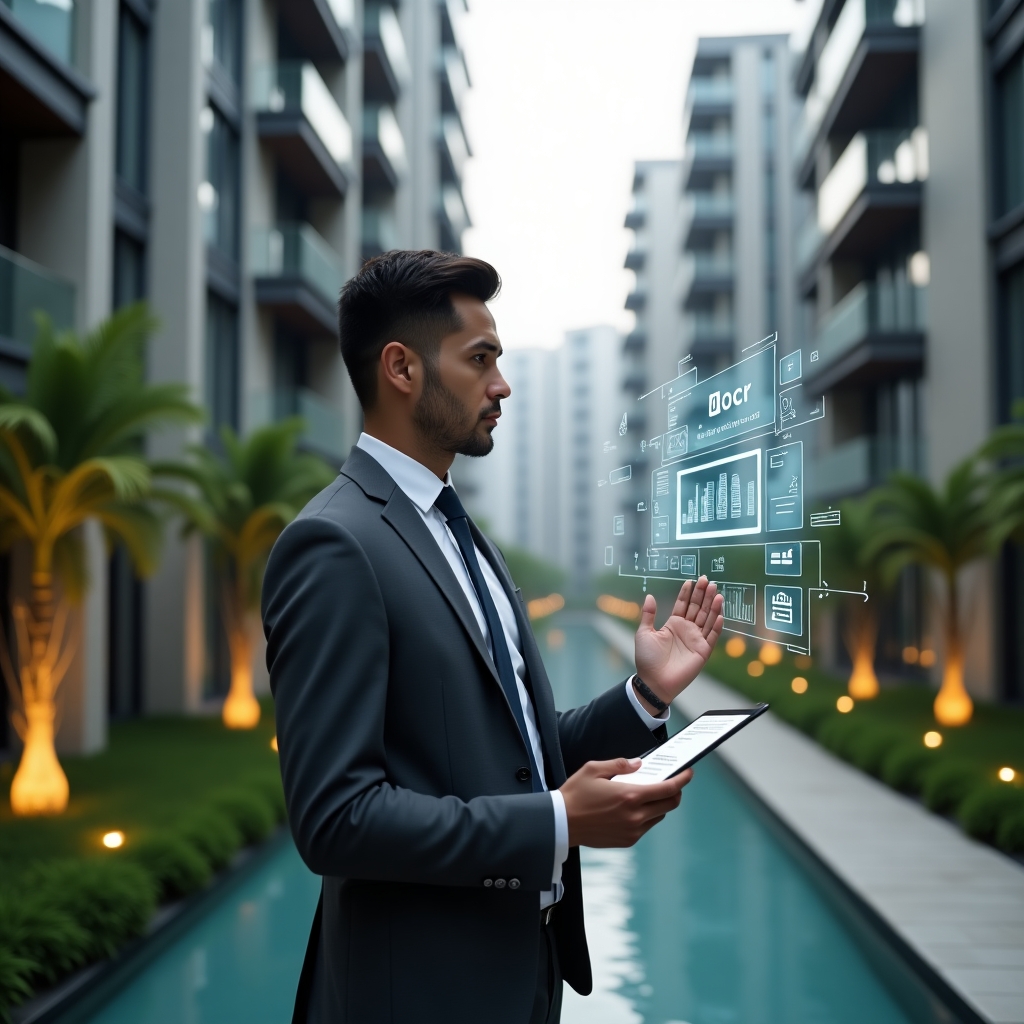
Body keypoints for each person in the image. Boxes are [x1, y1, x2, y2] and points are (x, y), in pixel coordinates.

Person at [262, 250, 725, 1024]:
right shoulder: (334, 545)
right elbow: (335, 818)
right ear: (402, 368)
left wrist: (646, 696)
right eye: (480, 360)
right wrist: (557, 821)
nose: (501, 385)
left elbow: (515, 753)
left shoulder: (463, 536)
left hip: (523, 979)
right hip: (413, 997)